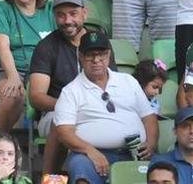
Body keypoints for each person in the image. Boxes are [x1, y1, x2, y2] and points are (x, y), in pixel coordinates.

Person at [54, 29, 158, 184]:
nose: (96, 60)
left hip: (135, 152)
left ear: (109, 55)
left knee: (165, 168)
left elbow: (149, 118)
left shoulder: (128, 81)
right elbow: (64, 132)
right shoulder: (71, 91)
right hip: (90, 154)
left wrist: (151, 143)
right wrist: (90, 151)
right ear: (80, 57)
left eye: (101, 54)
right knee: (79, 166)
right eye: (90, 55)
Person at [27, 0, 91, 172]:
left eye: (73, 14)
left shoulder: (97, 43)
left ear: (84, 13)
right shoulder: (46, 46)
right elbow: (36, 97)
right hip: (54, 113)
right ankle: (51, 178)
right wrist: (69, 106)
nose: (67, 20)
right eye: (61, 15)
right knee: (62, 121)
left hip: (95, 110)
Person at [0, 0, 55, 132]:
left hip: (45, 73)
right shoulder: (0, 9)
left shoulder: (51, 9)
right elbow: (1, 46)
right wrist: (13, 77)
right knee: (12, 93)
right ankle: (3, 138)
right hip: (6, 71)